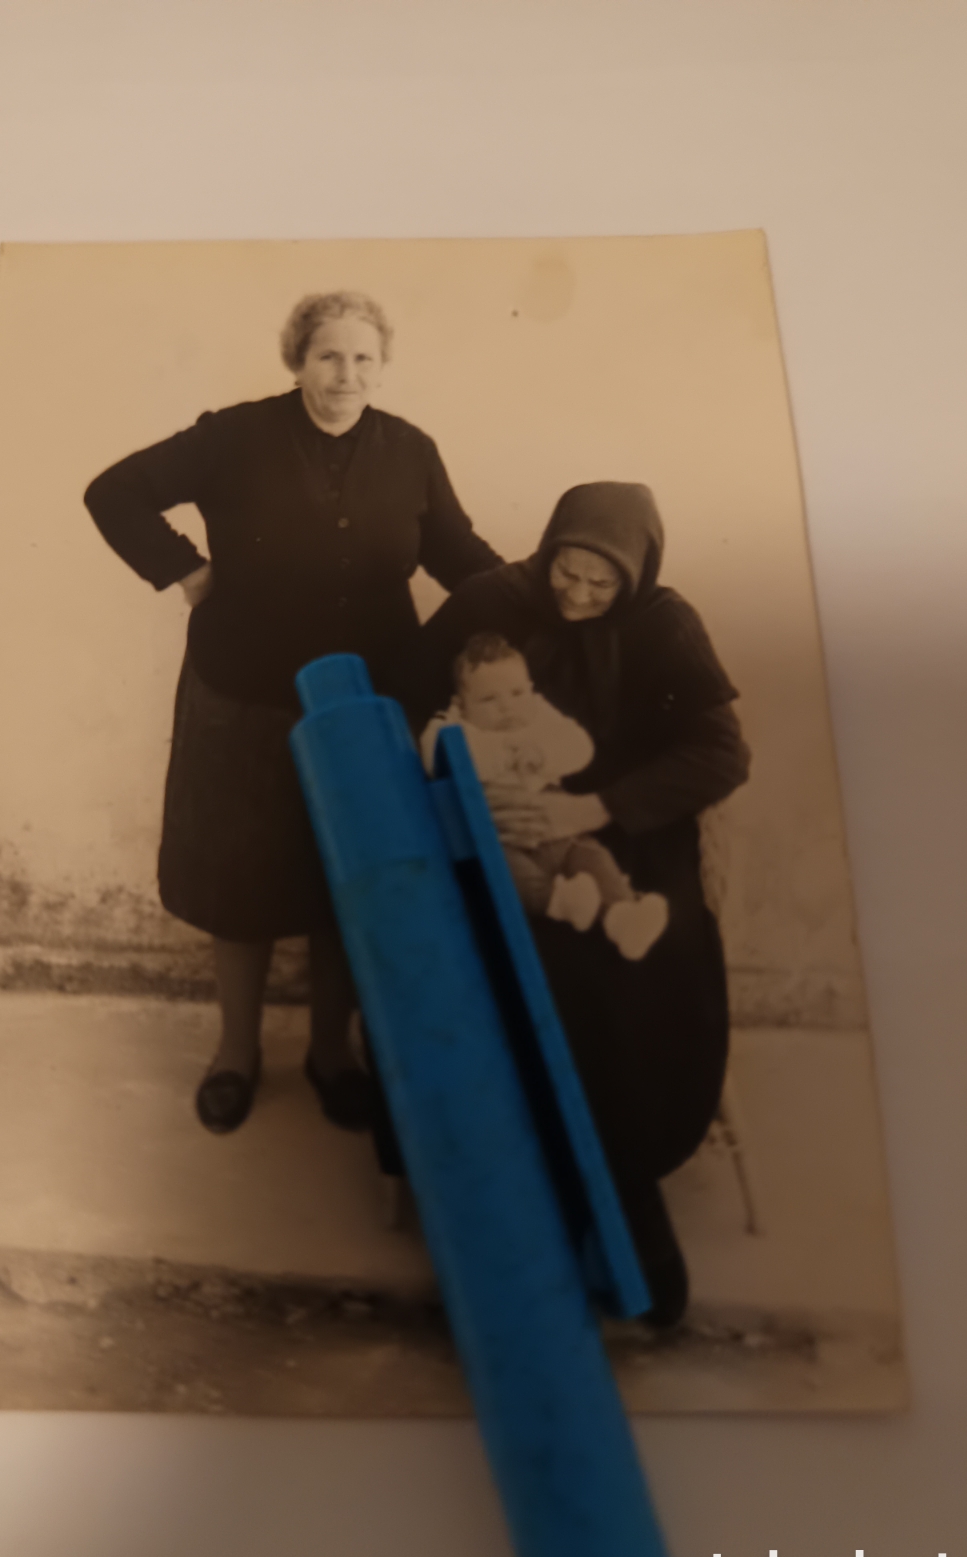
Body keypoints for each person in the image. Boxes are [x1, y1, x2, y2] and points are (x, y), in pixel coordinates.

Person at [84, 291, 501, 1137]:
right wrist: (186, 572)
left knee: (351, 883)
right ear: (298, 360)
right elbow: (115, 490)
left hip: (369, 703)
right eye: (328, 357)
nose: (346, 376)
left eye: (363, 360)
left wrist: (533, 610)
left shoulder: (412, 451)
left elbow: (460, 557)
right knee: (240, 886)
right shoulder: (233, 437)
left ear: (381, 368)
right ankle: (236, 1055)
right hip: (244, 700)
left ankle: (331, 1054)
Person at [400, 482, 750, 1326]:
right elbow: (405, 706)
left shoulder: (666, 624)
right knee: (493, 967)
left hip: (623, 833)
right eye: (569, 570)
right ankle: (524, 1205)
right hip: (492, 842)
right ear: (549, 545)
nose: (579, 595)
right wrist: (467, 800)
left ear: (636, 576)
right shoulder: (492, 601)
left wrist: (596, 807)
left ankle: (624, 1206)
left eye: (604, 582)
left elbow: (720, 753)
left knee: (623, 975)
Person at [419, 632, 670, 959]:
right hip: (501, 837)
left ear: (531, 690)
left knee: (593, 857)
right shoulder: (454, 726)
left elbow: (581, 747)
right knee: (504, 875)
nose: (507, 706)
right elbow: (432, 755)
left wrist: (543, 754)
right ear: (460, 704)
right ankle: (557, 901)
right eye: (489, 700)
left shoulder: (539, 716)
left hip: (557, 832)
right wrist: (503, 756)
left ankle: (622, 914)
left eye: (517, 692)